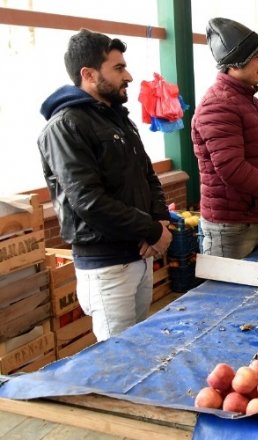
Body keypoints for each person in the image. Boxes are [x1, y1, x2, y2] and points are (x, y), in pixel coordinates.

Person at [38, 29, 173, 341]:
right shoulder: (65, 126)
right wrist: (152, 230)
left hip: (140, 254)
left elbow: (147, 175)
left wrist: (161, 219)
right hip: (107, 267)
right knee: (121, 359)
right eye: (118, 68)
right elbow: (88, 200)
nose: (128, 75)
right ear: (88, 74)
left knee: (139, 344)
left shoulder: (119, 120)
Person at [192, 18, 258, 259]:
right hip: (230, 228)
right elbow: (233, 170)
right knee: (230, 295)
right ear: (235, 62)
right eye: (257, 57)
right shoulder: (217, 106)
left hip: (255, 219)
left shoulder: (250, 102)